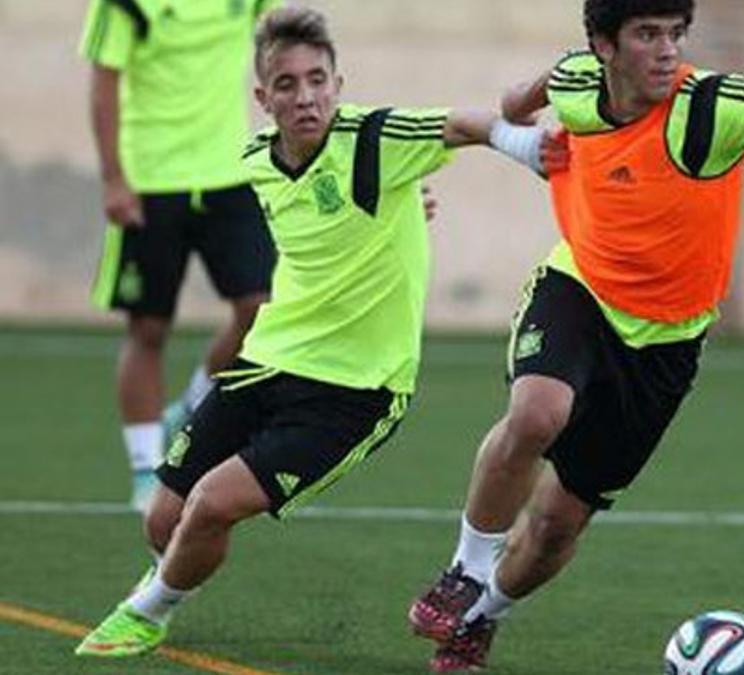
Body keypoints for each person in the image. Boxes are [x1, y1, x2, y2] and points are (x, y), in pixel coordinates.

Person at [74, 5, 556, 658]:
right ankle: (172, 571)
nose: (306, 96)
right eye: (288, 84)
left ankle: (146, 609)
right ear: (262, 97)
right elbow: (327, 219)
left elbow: (460, 124)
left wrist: (526, 147)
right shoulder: (257, 162)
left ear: (338, 82)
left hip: (355, 388)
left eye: (317, 79)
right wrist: (403, 207)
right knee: (165, 517)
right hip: (266, 362)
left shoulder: (375, 138)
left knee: (212, 503)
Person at [407, 0, 744, 670]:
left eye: (675, 33)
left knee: (560, 522)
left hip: (668, 341)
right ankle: (463, 571)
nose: (667, 50)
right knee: (538, 412)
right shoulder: (576, 80)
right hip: (580, 287)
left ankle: (478, 618)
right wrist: (524, 126)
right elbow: (518, 98)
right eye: (647, 34)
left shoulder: (708, 105)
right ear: (603, 45)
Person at [79, 0, 284, 512]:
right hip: (151, 181)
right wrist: (113, 178)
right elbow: (104, 84)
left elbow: (282, 41)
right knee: (148, 329)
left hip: (229, 176)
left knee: (260, 309)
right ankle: (147, 469)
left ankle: (194, 404)